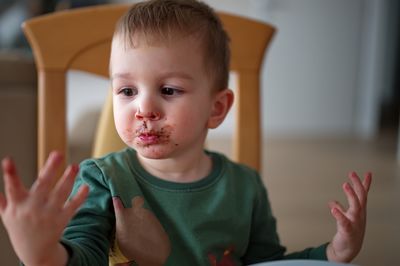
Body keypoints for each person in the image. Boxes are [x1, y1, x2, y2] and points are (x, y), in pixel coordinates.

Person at [0, 0, 372, 265]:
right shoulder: (101, 179)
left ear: (217, 108)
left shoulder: (245, 187)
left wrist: (333, 252)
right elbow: (86, 256)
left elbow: (266, 261)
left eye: (169, 90)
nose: (144, 109)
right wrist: (42, 254)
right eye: (127, 91)